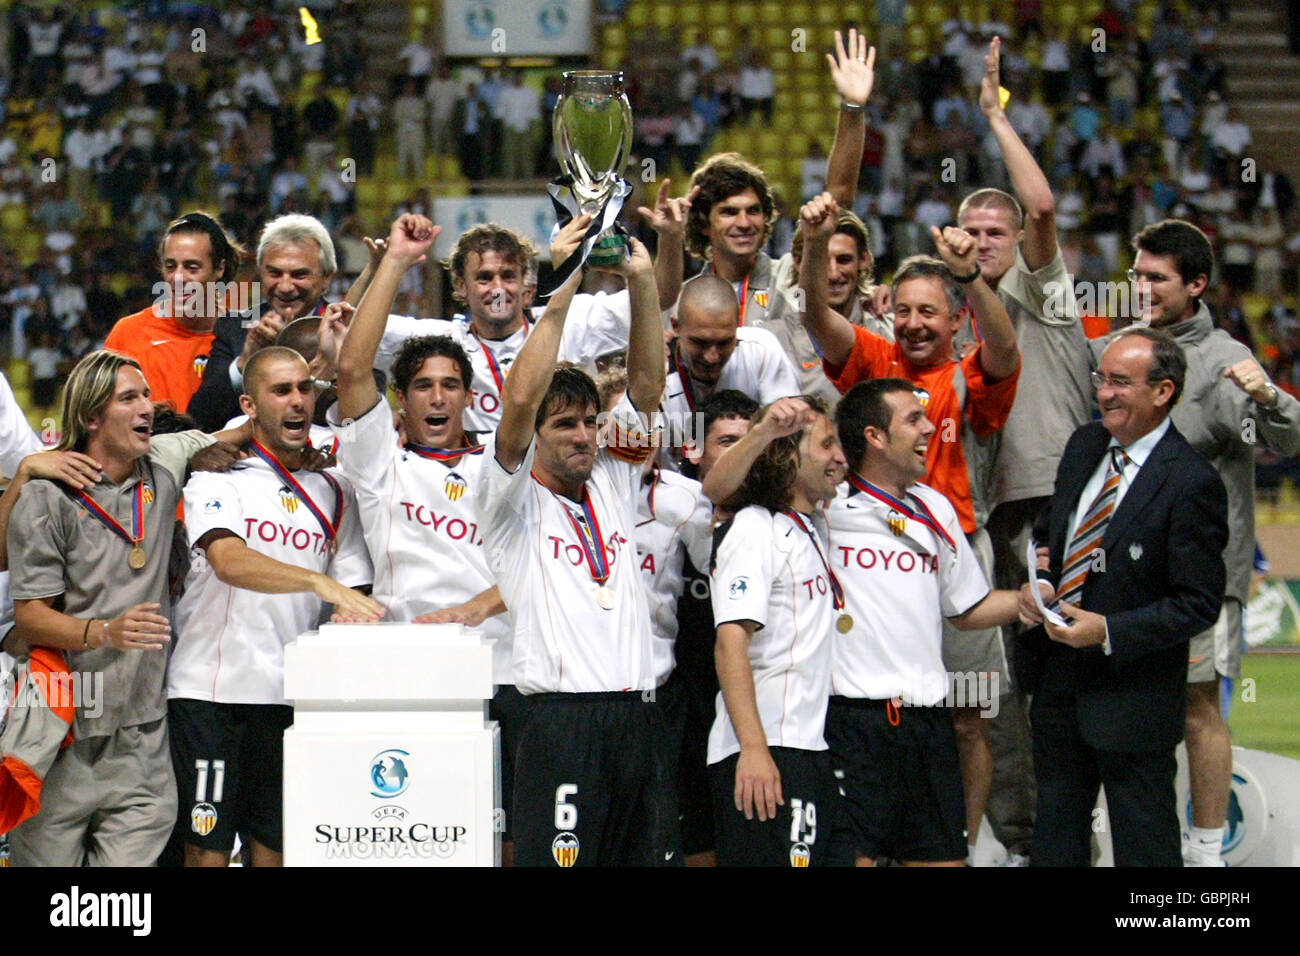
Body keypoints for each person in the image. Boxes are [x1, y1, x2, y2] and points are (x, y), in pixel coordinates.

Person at [701, 382, 1021, 865]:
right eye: (827, 445)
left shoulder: (828, 521)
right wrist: (765, 432)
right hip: (823, 731)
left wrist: (1030, 602)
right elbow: (716, 489)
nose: (839, 456)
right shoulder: (806, 513)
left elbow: (966, 607)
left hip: (869, 731)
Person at [800, 192, 1020, 862]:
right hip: (874, 551)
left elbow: (1006, 350)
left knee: (969, 719)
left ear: (956, 319)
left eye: (930, 311)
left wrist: (973, 277)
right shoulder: (871, 359)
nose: (915, 323)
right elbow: (814, 313)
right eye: (905, 310)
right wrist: (812, 247)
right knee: (884, 706)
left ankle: (968, 837)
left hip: (951, 547)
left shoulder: (965, 373)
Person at [477, 215, 672, 866]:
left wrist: (642, 282)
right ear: (538, 433)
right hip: (559, 723)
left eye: (590, 422)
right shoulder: (510, 498)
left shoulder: (613, 479)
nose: (585, 435)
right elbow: (519, 399)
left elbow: (647, 392)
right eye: (565, 425)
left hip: (637, 717)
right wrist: (565, 283)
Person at [1110, 220, 1300, 866]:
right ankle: (1142, 842)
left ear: (1195, 284)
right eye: (1137, 274)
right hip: (1127, 579)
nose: (1142, 287)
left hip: (1203, 580)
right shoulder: (1117, 353)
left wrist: (1270, 395)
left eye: (1156, 277)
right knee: (1131, 716)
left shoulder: (1223, 363)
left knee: (1197, 710)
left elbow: (1290, 439)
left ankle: (1208, 849)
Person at [0, 351, 232, 865]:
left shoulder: (164, 466)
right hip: (62, 733)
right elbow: (31, 617)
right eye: (129, 398)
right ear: (90, 416)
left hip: (142, 740)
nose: (147, 407)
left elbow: (238, 431)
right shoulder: (48, 497)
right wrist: (106, 631)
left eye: (147, 395)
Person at [1019, 328, 1228, 866]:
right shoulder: (1085, 445)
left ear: (1163, 392)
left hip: (1133, 700)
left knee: (1145, 850)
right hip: (1059, 685)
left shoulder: (1191, 481)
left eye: (1119, 382)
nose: (1104, 393)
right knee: (1056, 841)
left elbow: (1198, 602)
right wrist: (1043, 576)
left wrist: (1108, 631)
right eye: (1100, 379)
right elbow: (1049, 530)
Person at [166, 347, 381, 868]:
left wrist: (351, 609)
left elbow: (353, 585)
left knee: (276, 851)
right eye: (280, 391)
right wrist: (317, 582)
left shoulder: (334, 486)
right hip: (210, 694)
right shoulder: (217, 475)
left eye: (305, 389)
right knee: (207, 852)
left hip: (288, 700)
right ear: (250, 405)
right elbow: (229, 561)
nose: (297, 401)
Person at [960, 36, 1093, 867]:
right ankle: (1020, 839)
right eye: (970, 228)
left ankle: (1073, 833)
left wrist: (994, 118)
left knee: (1069, 681)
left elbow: (1042, 207)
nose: (984, 238)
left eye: (994, 228)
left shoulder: (1040, 294)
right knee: (1002, 693)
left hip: (1058, 499)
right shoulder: (955, 303)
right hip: (992, 511)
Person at [706, 395, 846, 866]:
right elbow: (730, 644)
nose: (839, 458)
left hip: (808, 747)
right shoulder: (754, 528)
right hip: (767, 749)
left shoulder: (815, 524)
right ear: (789, 457)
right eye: (827, 445)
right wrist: (753, 749)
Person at [658, 31, 877, 329]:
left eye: (753, 210)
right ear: (702, 223)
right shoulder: (684, 299)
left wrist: (852, 105)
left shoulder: (793, 276)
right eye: (729, 212)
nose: (745, 222)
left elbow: (838, 197)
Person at [188, 214, 344, 431]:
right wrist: (244, 363)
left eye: (299, 274)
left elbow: (363, 419)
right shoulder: (234, 327)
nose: (285, 286)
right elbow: (200, 419)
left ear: (327, 277)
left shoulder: (348, 330)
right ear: (260, 273)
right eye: (275, 273)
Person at [104, 212, 247, 411]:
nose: (178, 278)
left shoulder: (241, 338)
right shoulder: (129, 333)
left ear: (219, 268)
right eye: (170, 267)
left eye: (192, 267)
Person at [662, 274, 799, 462]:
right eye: (700, 342)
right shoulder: (656, 373)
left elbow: (787, 442)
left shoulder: (760, 350)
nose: (712, 357)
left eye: (724, 342)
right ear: (677, 327)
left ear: (737, 327)